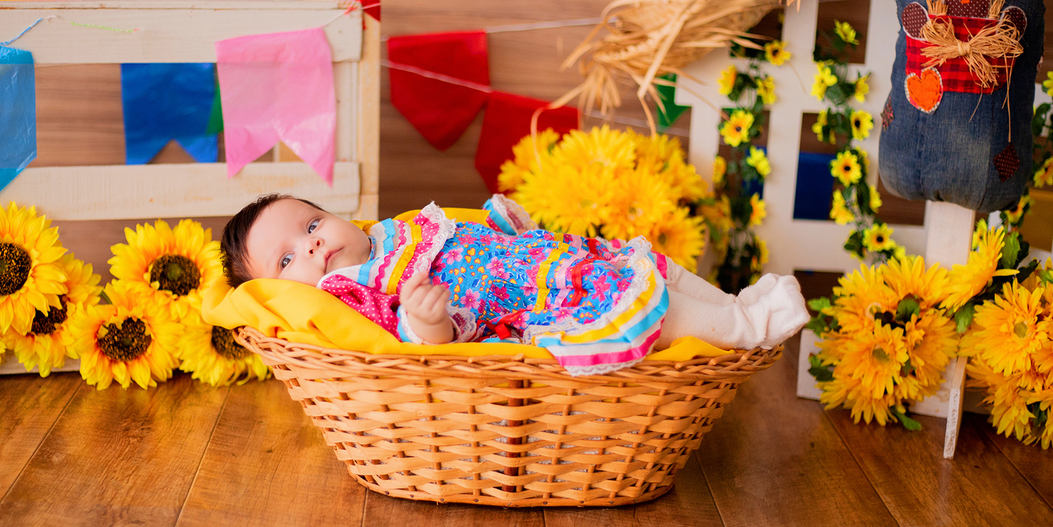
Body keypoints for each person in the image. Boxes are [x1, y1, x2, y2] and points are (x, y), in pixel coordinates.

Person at [219, 193, 809, 375]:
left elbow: (470, 241)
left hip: (555, 260)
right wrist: (427, 319)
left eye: (313, 223)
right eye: (288, 259)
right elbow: (411, 342)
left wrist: (499, 221)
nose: (315, 244)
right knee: (656, 310)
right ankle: (747, 327)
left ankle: (732, 303)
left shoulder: (393, 234)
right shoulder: (358, 291)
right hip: (542, 303)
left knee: (653, 272)